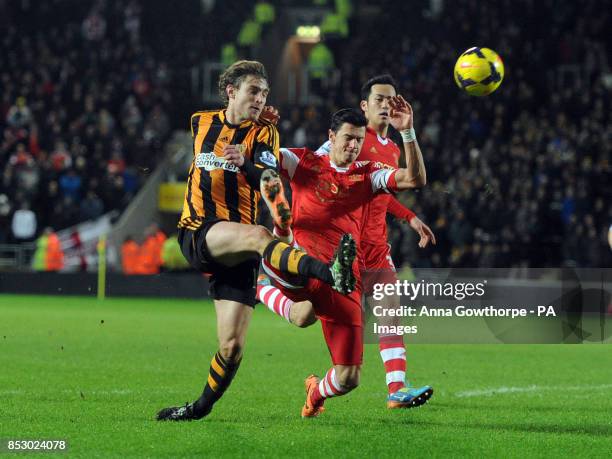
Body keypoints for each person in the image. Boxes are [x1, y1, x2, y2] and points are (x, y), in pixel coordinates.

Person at [156, 60, 356, 422]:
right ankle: (329, 273)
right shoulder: (200, 121)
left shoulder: (265, 134)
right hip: (199, 229)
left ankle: (198, 408)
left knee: (232, 347)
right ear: (231, 91)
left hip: (238, 248)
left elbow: (266, 174)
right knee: (260, 235)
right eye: (253, 91)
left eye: (264, 93)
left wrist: (246, 163)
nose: (261, 98)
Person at [254, 107, 429, 418]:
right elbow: (262, 157)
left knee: (346, 375)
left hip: (343, 277)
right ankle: (277, 245)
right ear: (331, 137)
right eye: (348, 138)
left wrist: (408, 133)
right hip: (304, 263)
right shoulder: (305, 162)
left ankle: (315, 391)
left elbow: (414, 178)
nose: (353, 145)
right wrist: (262, 128)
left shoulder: (368, 174)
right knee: (293, 267)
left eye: (358, 140)